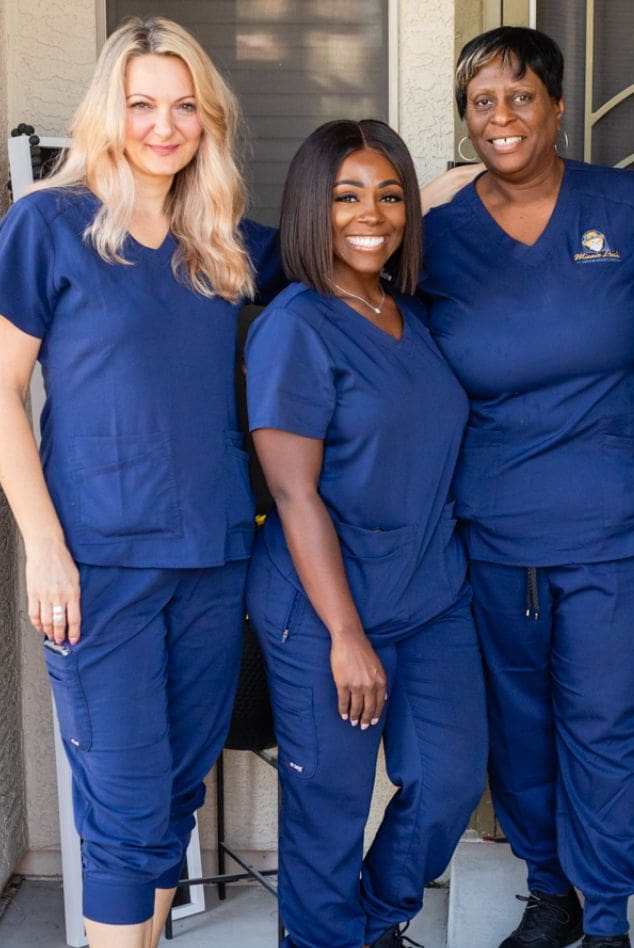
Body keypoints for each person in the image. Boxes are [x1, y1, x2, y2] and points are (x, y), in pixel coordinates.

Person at [0, 18, 283, 948]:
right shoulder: (49, 226)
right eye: (143, 104)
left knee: (171, 803)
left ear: (209, 119)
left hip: (213, 554)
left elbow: (347, 226)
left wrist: (469, 187)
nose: (164, 124)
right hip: (98, 567)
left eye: (184, 105)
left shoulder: (221, 239)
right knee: (122, 814)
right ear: (110, 112)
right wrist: (45, 550)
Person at [416, 27, 634, 948]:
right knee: (520, 734)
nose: (502, 117)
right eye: (482, 101)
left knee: (605, 729)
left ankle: (607, 914)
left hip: (615, 535)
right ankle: (551, 891)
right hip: (492, 535)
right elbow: (344, 293)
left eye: (521, 97)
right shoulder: (439, 238)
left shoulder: (630, 207)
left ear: (557, 108)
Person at [243, 119, 487, 948]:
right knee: (329, 810)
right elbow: (292, 492)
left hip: (430, 596)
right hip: (324, 609)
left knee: (451, 778)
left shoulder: (405, 311)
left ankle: (377, 922)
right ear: (314, 207)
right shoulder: (296, 325)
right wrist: (346, 635)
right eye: (347, 195)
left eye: (390, 195)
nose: (371, 212)